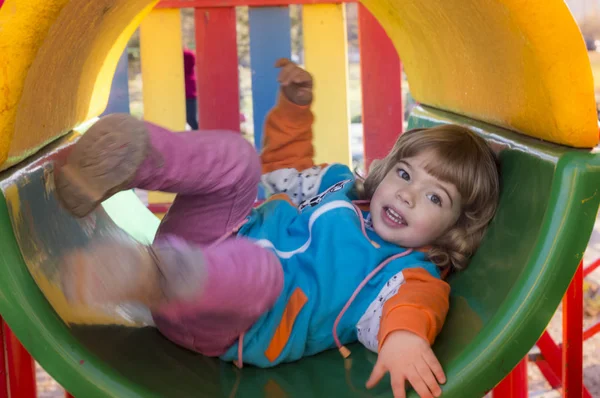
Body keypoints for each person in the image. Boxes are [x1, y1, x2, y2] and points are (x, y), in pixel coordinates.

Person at [54, 59, 500, 398]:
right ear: (386, 172)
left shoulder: (404, 271)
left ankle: (150, 279)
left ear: (453, 229)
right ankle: (131, 160)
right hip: (210, 241)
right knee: (238, 160)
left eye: (435, 197)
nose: (408, 195)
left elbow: (418, 305)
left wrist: (404, 339)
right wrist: (292, 110)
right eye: (405, 175)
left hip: (232, 320)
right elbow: (287, 164)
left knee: (260, 271)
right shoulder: (341, 187)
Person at [184, 48, 198, 130]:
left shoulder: (187, 54)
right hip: (189, 93)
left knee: (191, 119)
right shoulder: (188, 54)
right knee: (191, 119)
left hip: (189, 94)